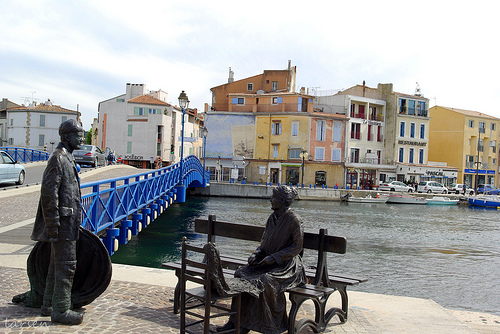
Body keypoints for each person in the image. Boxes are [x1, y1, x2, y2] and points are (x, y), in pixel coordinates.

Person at [217, 185, 306, 334]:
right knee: (241, 273)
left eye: (274, 198)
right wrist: (256, 254)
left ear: (282, 201)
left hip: (287, 265)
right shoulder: (271, 218)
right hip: (269, 261)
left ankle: (272, 325)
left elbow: (297, 248)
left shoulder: (294, 220)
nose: (271, 200)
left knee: (265, 280)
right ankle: (236, 321)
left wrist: (273, 258)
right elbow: (263, 244)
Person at [30, 119, 85, 325]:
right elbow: (48, 195)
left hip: (66, 223)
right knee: (66, 266)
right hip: (62, 225)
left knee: (56, 266)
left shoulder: (67, 157)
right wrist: (52, 225)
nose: (81, 138)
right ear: (66, 137)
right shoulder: (58, 159)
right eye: (78, 134)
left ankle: (49, 305)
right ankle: (61, 310)